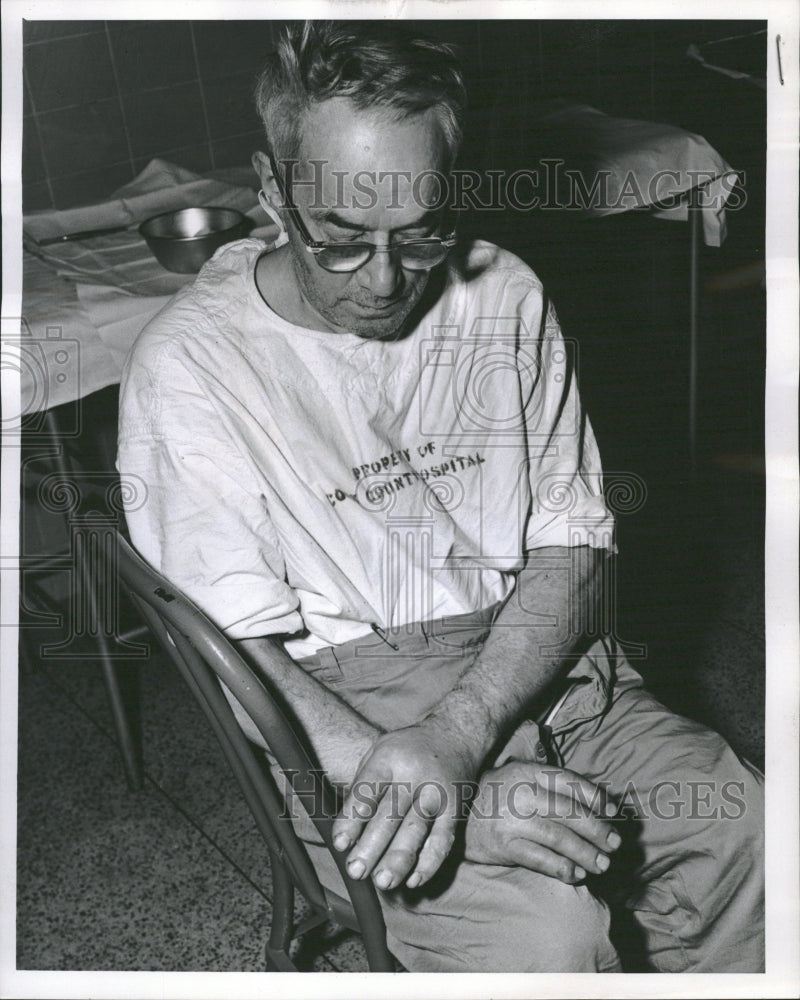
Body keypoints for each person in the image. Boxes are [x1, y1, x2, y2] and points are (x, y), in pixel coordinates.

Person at [117, 21, 764, 973]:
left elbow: (570, 546)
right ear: (271, 189)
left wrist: (463, 741)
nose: (384, 282)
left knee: (752, 838)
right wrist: (444, 787)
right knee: (550, 938)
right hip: (345, 730)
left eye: (422, 235)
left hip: (537, 666)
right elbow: (247, 671)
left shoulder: (504, 294)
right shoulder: (192, 368)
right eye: (339, 238)